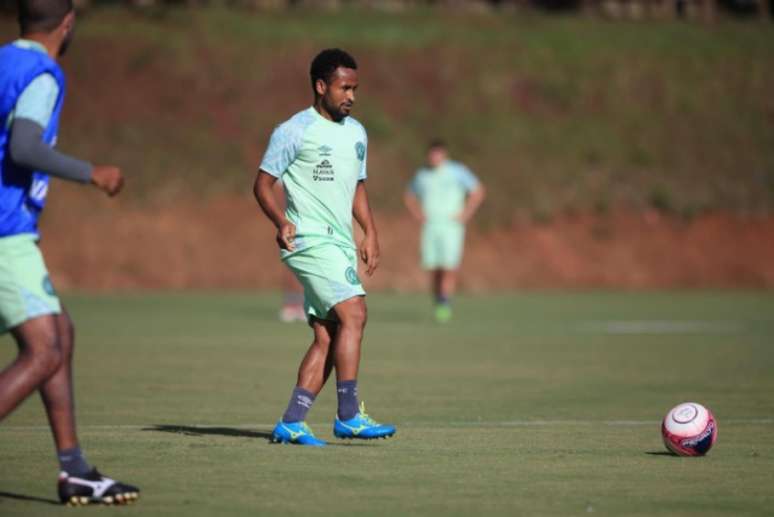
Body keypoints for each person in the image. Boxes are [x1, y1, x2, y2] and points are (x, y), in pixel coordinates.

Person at [0, 0, 139, 505]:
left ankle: (74, 468)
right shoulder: (42, 73)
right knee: (44, 350)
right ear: (66, 23)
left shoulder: (3, 61)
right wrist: (92, 172)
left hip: (10, 233)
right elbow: (24, 147)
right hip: (4, 234)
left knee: (60, 331)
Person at [253, 48, 395, 446]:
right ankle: (349, 415)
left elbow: (357, 188)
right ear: (321, 86)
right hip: (308, 240)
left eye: (355, 88)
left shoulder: (356, 133)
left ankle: (292, 421)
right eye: (344, 87)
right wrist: (281, 222)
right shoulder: (294, 130)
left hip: (340, 242)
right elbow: (262, 184)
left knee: (329, 335)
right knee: (355, 312)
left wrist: (370, 232)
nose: (351, 96)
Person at [404, 140, 485, 323]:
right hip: (430, 227)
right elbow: (409, 196)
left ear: (444, 154)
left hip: (451, 227)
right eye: (432, 154)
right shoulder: (422, 174)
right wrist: (418, 214)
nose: (434, 158)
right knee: (434, 268)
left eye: (438, 154)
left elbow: (478, 191)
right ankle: (439, 299)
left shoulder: (457, 171)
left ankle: (444, 303)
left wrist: (465, 213)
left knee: (449, 266)